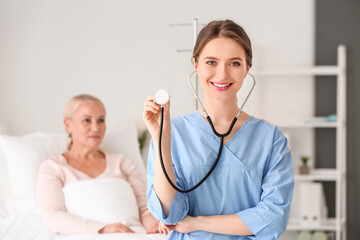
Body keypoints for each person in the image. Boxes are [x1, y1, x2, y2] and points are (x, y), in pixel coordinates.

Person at [143, 20, 294, 240]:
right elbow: (169, 213)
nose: (222, 74)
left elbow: (273, 219)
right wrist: (160, 140)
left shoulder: (270, 138)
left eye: (234, 63)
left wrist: (196, 223)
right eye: (211, 62)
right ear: (195, 64)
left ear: (247, 67)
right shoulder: (171, 132)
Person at [37, 94, 159, 235]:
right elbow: (53, 216)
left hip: (133, 234)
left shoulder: (122, 162)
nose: (96, 128)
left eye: (101, 120)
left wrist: (154, 227)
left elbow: (144, 207)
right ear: (68, 124)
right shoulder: (53, 168)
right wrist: (103, 229)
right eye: (87, 120)